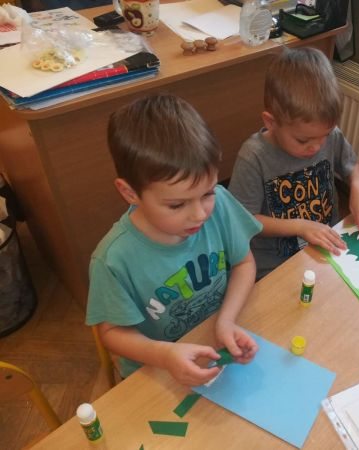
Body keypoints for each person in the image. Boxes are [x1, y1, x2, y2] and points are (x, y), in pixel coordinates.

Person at [86, 94, 262, 386]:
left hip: (215, 337)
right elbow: (112, 333)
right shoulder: (113, 259)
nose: (200, 214)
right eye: (177, 205)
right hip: (156, 367)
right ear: (130, 193)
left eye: (208, 192)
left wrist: (226, 320)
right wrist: (165, 355)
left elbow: (244, 263)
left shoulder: (220, 205)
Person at [228, 47, 359, 280]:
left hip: (326, 249)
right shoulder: (254, 156)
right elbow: (243, 221)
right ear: (271, 122)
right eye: (303, 140)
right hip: (275, 266)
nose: (316, 147)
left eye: (324, 135)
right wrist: (299, 226)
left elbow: (351, 166)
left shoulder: (330, 136)